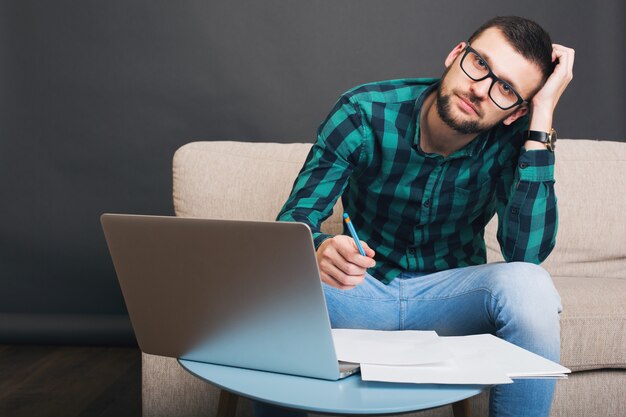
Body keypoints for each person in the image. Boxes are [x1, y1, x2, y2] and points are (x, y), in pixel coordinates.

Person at [262, 15, 574, 417]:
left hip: (449, 302)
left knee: (531, 286)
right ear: (456, 54)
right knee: (275, 286)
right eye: (480, 64)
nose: (480, 91)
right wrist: (319, 247)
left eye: (507, 89)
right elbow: (293, 221)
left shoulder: (515, 139)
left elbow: (527, 254)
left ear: (516, 112)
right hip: (359, 293)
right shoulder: (364, 112)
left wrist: (543, 115)